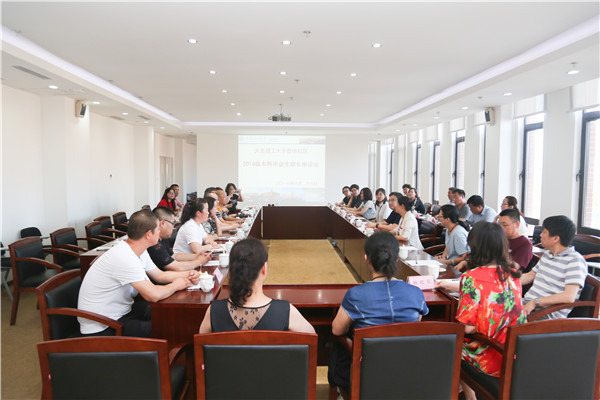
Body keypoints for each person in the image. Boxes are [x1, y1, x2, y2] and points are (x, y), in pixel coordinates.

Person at [329, 231, 428, 393]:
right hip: (407, 371)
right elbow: (415, 325)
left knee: (340, 346)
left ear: (366, 259)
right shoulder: (416, 293)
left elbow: (337, 330)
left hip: (369, 374)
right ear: (396, 259)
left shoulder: (356, 295)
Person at [78, 210, 201, 337]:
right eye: (158, 229)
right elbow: (153, 295)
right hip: (103, 325)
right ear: (148, 234)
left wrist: (189, 274)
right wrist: (176, 285)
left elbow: (160, 276)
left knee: (171, 315)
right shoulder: (124, 256)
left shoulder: (138, 250)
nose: (160, 231)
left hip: (122, 312)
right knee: (168, 328)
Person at [454, 222, 527, 400]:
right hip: (517, 352)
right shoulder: (513, 273)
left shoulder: (471, 277)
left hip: (489, 355)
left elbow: (468, 327)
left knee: (449, 346)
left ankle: (469, 396)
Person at [199, 238, 315, 333]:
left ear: (232, 269)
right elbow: (311, 340)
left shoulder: (214, 311)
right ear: (264, 268)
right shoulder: (285, 311)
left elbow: (202, 346)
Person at [521, 215, 587, 319]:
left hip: (545, 314)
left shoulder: (575, 260)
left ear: (556, 238)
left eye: (544, 232)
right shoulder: (548, 254)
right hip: (528, 305)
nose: (541, 235)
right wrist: (507, 282)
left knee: (498, 318)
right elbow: (530, 275)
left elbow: (569, 296)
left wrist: (535, 302)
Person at [147, 206, 211, 271]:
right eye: (172, 223)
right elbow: (176, 267)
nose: (173, 228)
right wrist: (200, 261)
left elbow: (173, 256)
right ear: (162, 223)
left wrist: (197, 256)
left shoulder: (163, 238)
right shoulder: (154, 243)